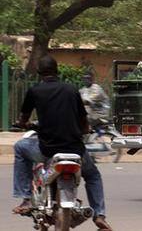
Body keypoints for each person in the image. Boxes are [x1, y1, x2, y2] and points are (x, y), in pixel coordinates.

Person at [12, 56, 112, 231]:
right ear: (57, 71)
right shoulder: (72, 90)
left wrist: (23, 124)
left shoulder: (35, 91)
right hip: (75, 150)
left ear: (39, 73)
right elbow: (83, 121)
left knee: (20, 148)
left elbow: (23, 118)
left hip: (47, 150)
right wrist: (86, 130)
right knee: (93, 176)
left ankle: (26, 198)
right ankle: (100, 215)